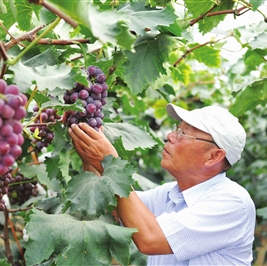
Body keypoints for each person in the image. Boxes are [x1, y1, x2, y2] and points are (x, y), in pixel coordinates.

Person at [68, 103, 256, 266]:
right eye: (176, 128)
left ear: (213, 156)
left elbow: (150, 239)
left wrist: (110, 163)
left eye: (183, 133)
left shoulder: (233, 202)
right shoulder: (169, 194)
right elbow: (109, 207)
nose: (170, 135)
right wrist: (89, 153)